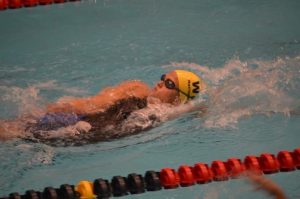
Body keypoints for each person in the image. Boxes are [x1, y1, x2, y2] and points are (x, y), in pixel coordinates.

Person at [22, 69, 206, 146]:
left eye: (169, 84)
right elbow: (91, 105)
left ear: (178, 98)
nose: (160, 83)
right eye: (164, 77)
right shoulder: (136, 89)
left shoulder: (169, 112)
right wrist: (51, 110)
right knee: (16, 130)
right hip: (75, 121)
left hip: (92, 136)